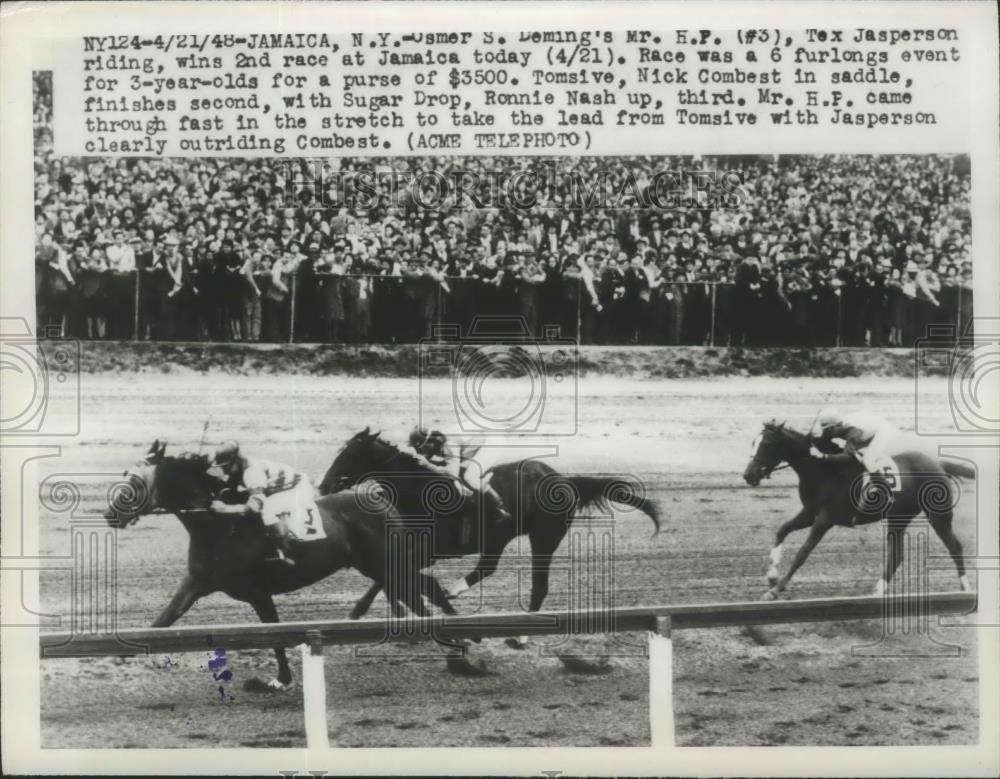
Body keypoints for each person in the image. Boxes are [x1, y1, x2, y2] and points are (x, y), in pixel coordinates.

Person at [208, 441, 317, 568]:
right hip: (277, 486)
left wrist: (226, 509)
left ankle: (285, 552)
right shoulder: (240, 465)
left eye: (226, 467)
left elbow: (256, 505)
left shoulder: (251, 473)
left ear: (236, 461)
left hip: (296, 488)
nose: (225, 471)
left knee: (268, 511)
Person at [406, 426, 513, 530]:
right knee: (463, 475)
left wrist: (428, 465)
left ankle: (501, 509)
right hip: (480, 440)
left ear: (431, 442)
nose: (421, 453)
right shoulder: (441, 442)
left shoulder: (449, 445)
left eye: (422, 449)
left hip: (492, 442)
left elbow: (453, 473)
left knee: (470, 476)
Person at [808, 408, 896, 475]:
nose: (826, 433)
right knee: (856, 457)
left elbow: (847, 456)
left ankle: (884, 489)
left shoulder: (852, 431)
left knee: (867, 461)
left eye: (828, 430)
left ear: (835, 427)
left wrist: (823, 456)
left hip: (881, 431)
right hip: (866, 426)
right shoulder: (835, 426)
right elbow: (819, 439)